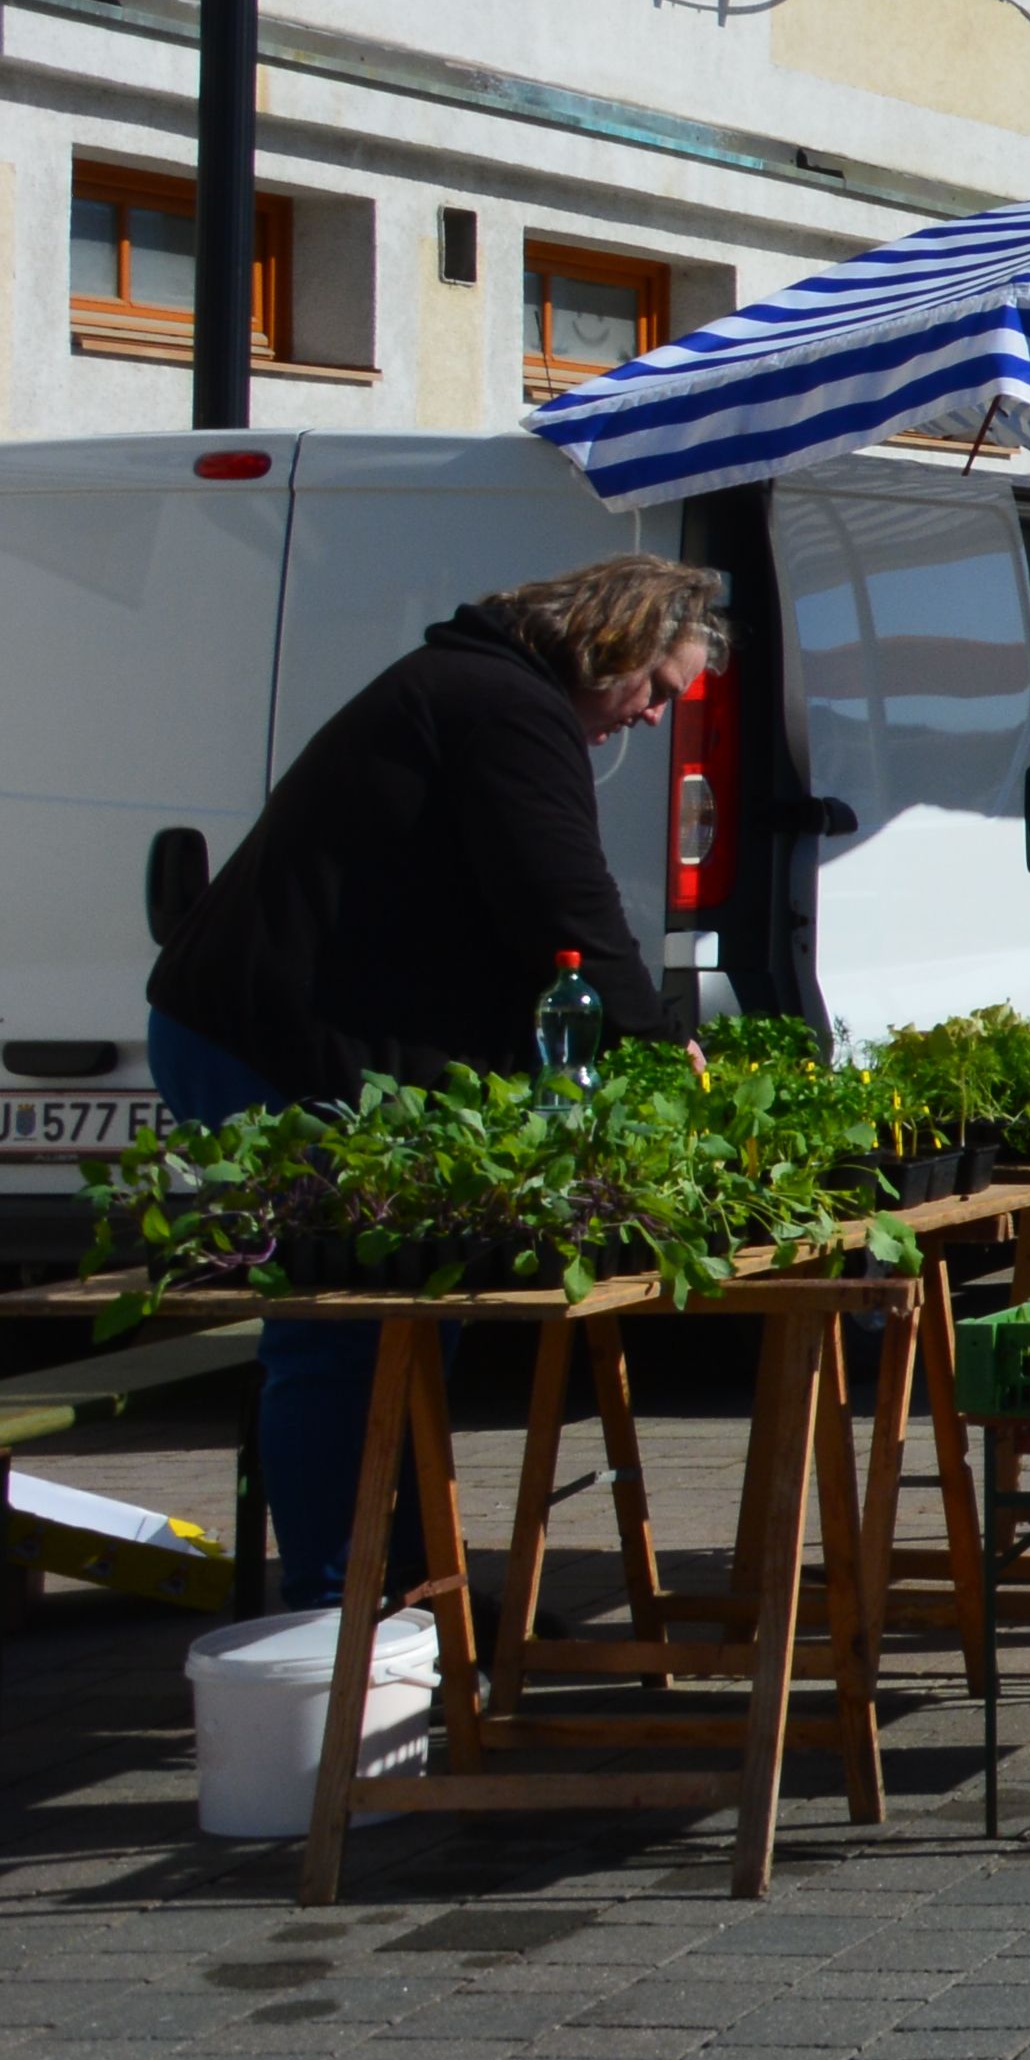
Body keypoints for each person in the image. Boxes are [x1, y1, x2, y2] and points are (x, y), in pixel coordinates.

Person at [145, 554, 719, 1609]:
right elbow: (563, 900)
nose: (651, 715)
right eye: (657, 687)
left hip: (326, 1038)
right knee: (344, 1321)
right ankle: (338, 1601)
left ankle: (407, 1582)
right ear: (615, 644)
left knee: (413, 1312)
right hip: (267, 1040)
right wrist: (651, 1035)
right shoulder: (501, 707)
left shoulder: (483, 692)